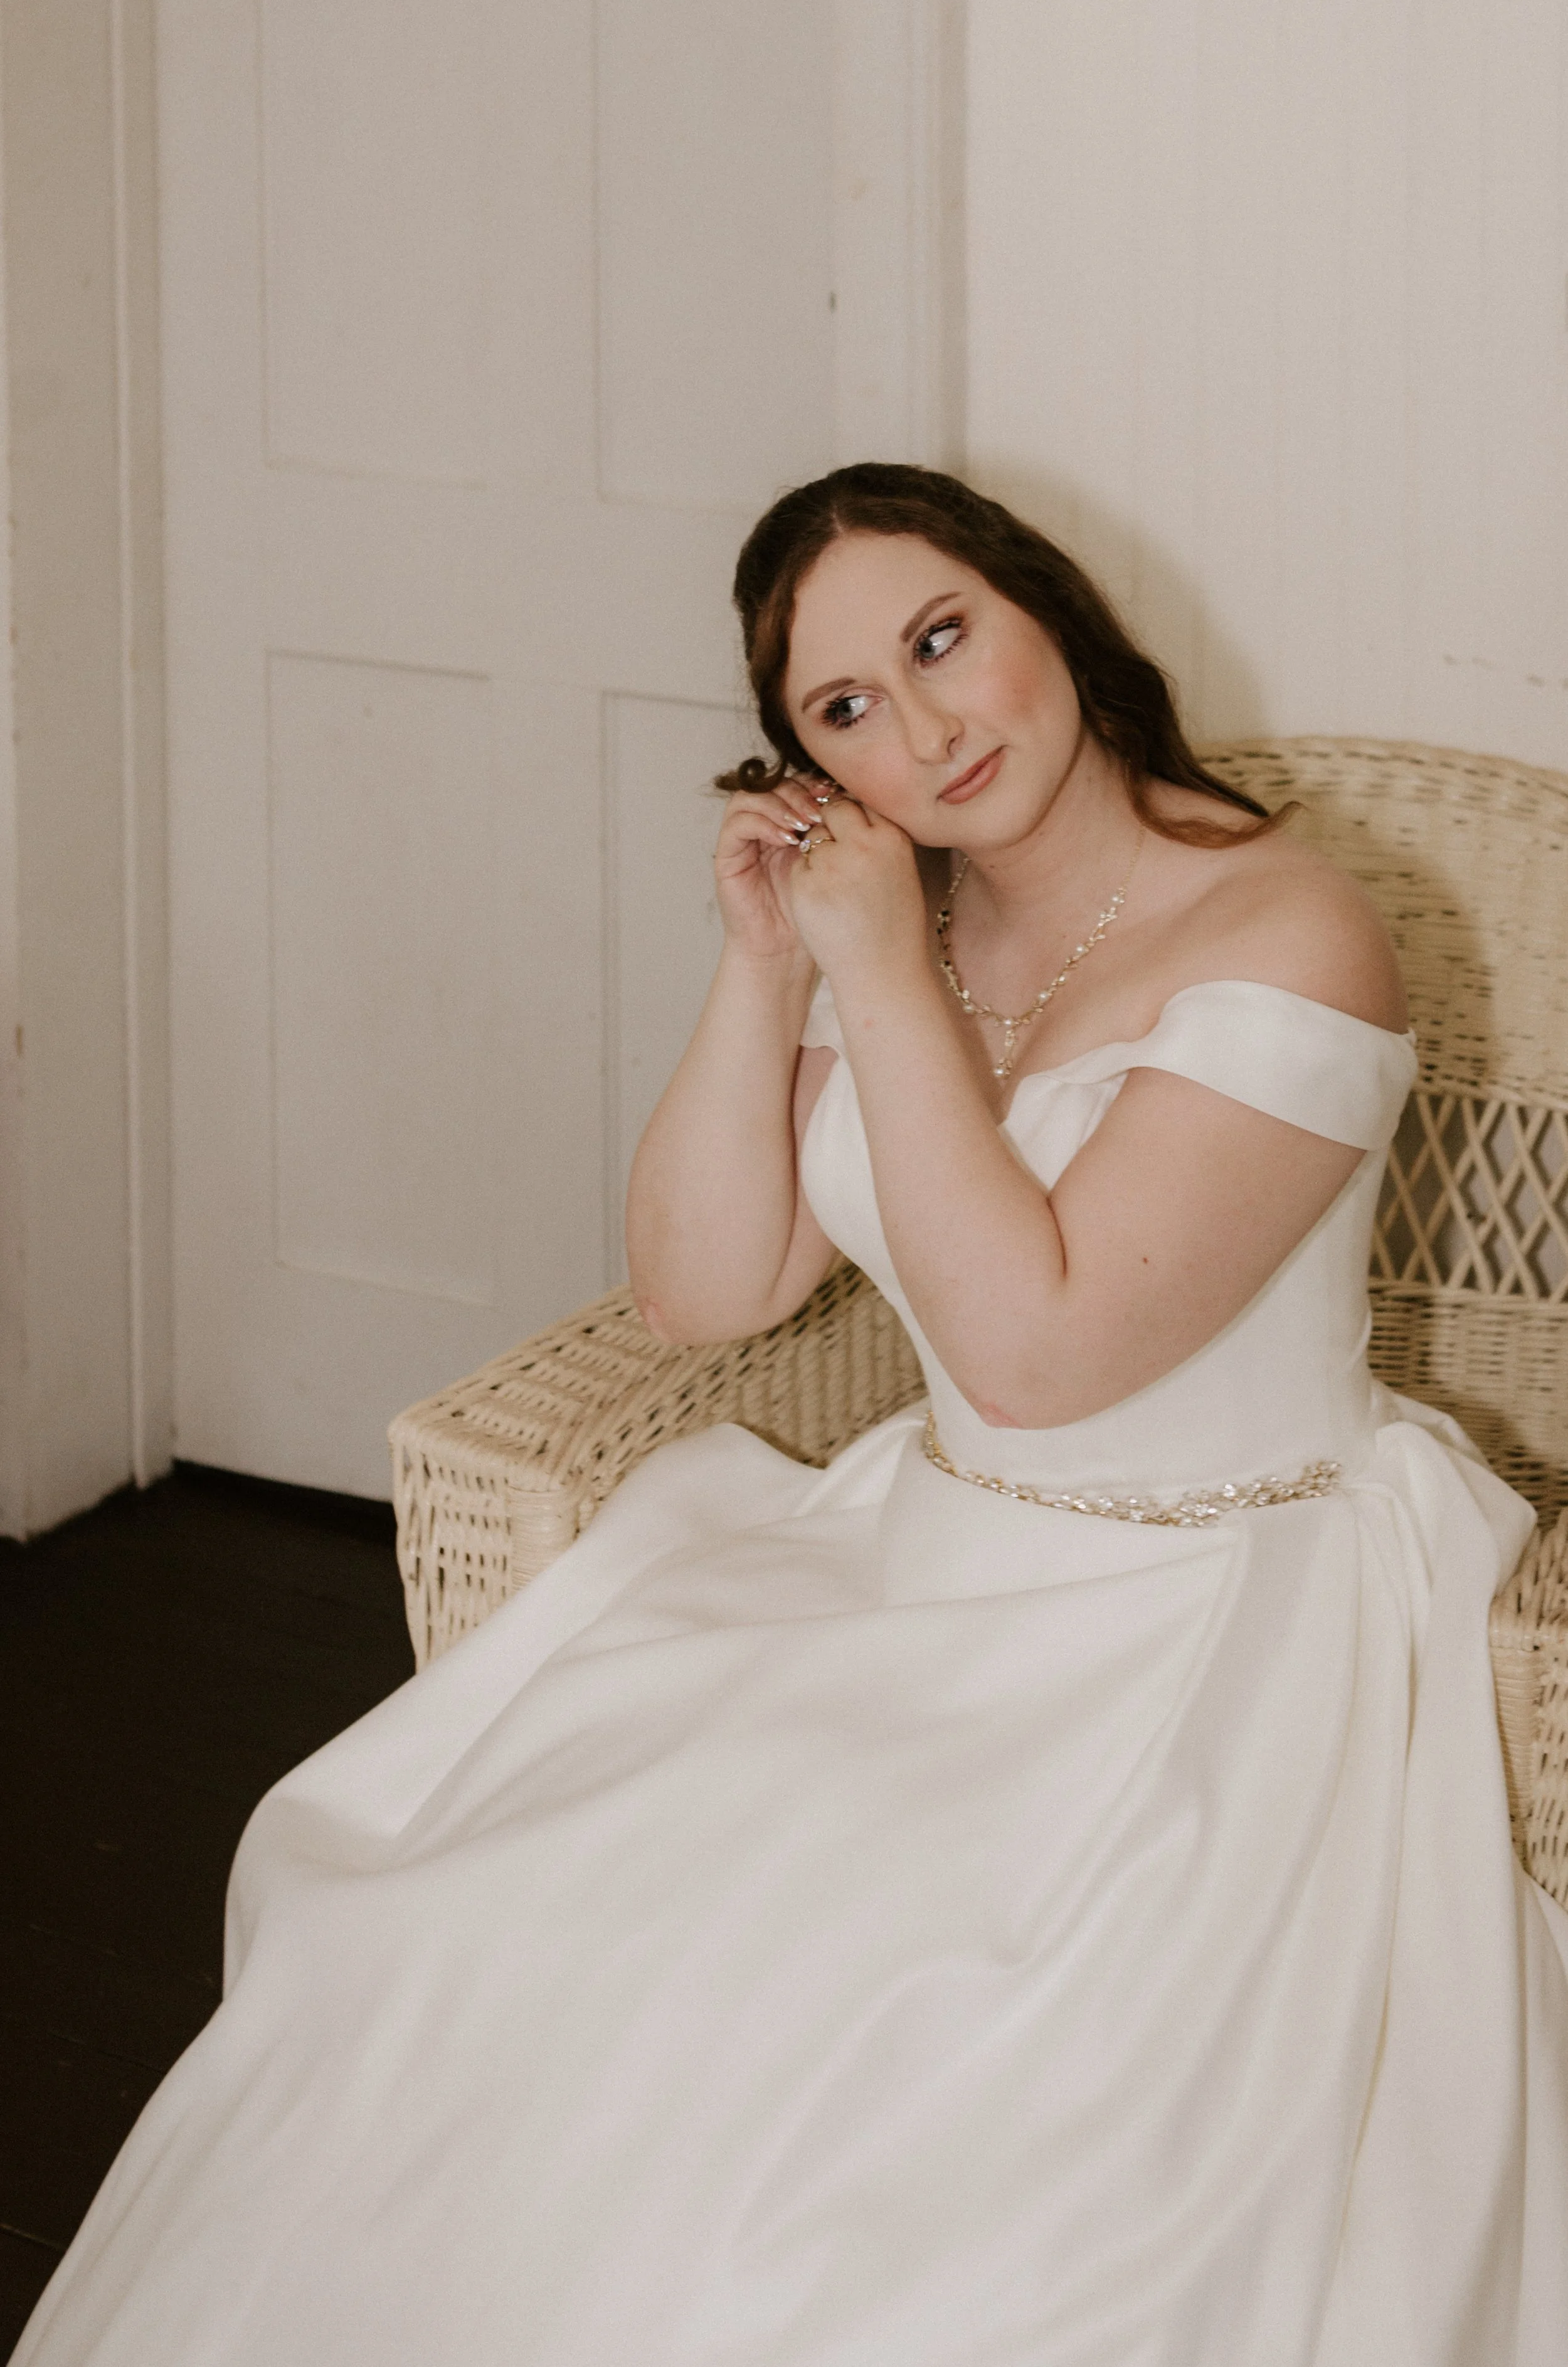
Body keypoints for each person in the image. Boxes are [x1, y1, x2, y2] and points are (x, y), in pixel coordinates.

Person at [17, 464, 1568, 2365]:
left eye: (940, 643)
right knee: (474, 1943)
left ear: (1044, 613)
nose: (921, 729)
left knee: (893, 2084)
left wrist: (875, 969)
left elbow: (1038, 1353)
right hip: (918, 1550)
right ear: (806, 765)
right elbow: (708, 1285)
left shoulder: (1288, 930)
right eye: (843, 710)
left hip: (1205, 1605)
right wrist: (763, 962)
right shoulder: (890, 929)